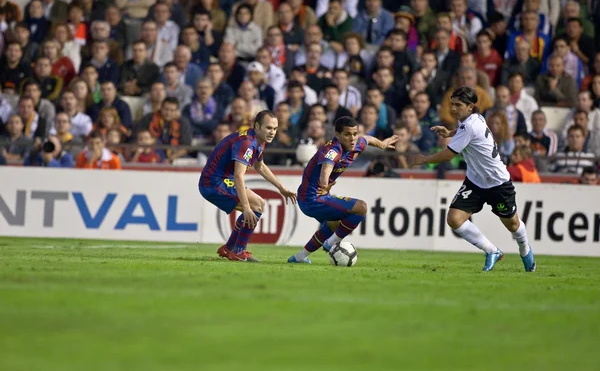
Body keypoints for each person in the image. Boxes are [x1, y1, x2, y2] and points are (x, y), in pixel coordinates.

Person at [410, 86, 536, 272]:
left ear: (470, 106)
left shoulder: (469, 125)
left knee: (513, 224)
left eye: (458, 105)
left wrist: (424, 159)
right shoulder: (474, 119)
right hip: (475, 181)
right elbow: (464, 131)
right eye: (452, 104)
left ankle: (525, 249)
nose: (453, 109)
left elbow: (448, 155)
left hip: (497, 183)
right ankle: (492, 251)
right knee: (454, 219)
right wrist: (450, 133)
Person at [288, 116, 398, 264]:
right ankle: (330, 243)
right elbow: (326, 169)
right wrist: (325, 184)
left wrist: (383, 144)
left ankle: (299, 258)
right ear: (338, 135)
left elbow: (367, 139)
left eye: (354, 133)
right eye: (347, 134)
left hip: (316, 196)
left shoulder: (357, 143)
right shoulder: (333, 149)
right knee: (361, 207)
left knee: (333, 224)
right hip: (313, 198)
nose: (352, 138)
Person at [199, 110, 297, 262]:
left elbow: (260, 166)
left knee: (257, 204)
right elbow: (238, 176)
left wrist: (281, 188)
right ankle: (238, 251)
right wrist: (245, 207)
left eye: (275, 129)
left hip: (219, 180)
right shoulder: (246, 143)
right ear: (257, 126)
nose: (272, 132)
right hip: (213, 183)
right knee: (257, 204)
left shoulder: (257, 140)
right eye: (268, 128)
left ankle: (230, 248)